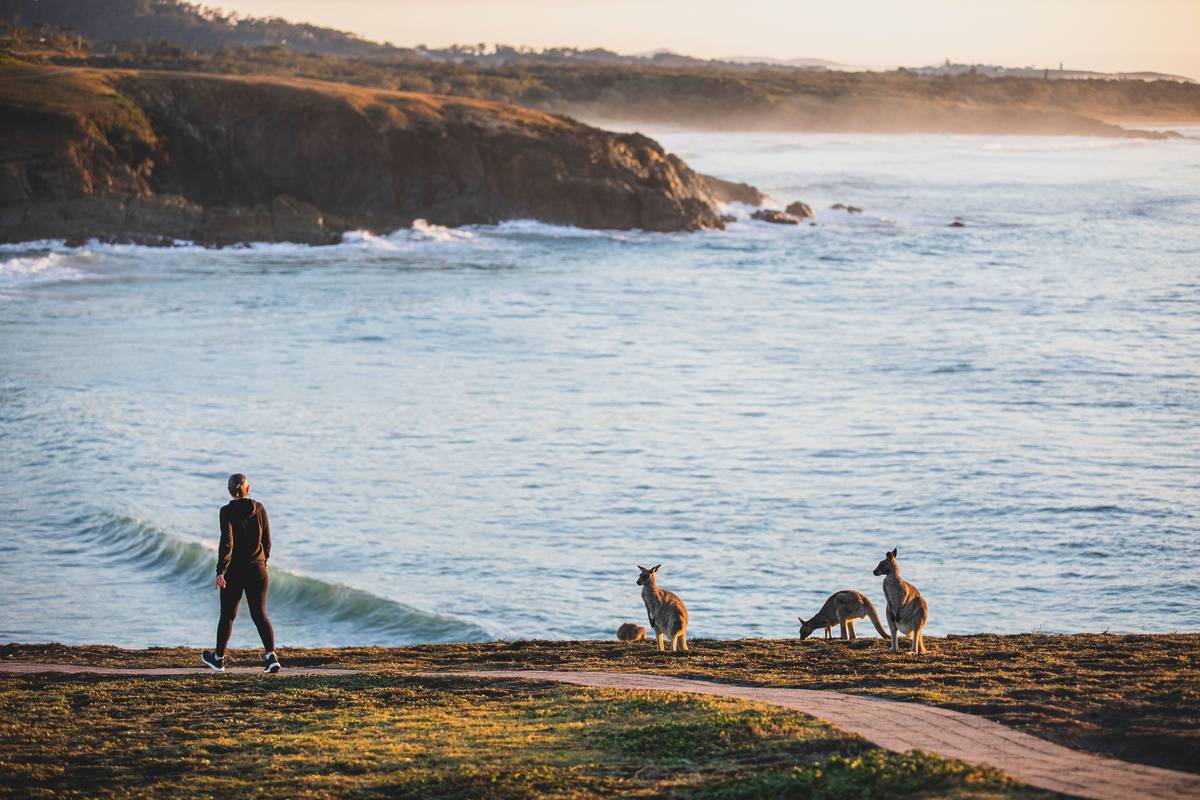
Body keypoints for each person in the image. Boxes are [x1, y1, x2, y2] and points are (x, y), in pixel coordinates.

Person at [202, 473, 280, 673]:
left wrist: (221, 571)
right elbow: (268, 542)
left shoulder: (226, 511)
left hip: (235, 571)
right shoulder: (260, 508)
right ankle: (271, 657)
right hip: (258, 569)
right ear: (248, 488)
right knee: (260, 614)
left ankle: (218, 659)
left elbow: (227, 543)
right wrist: (263, 561)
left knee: (228, 616)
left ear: (229, 491)